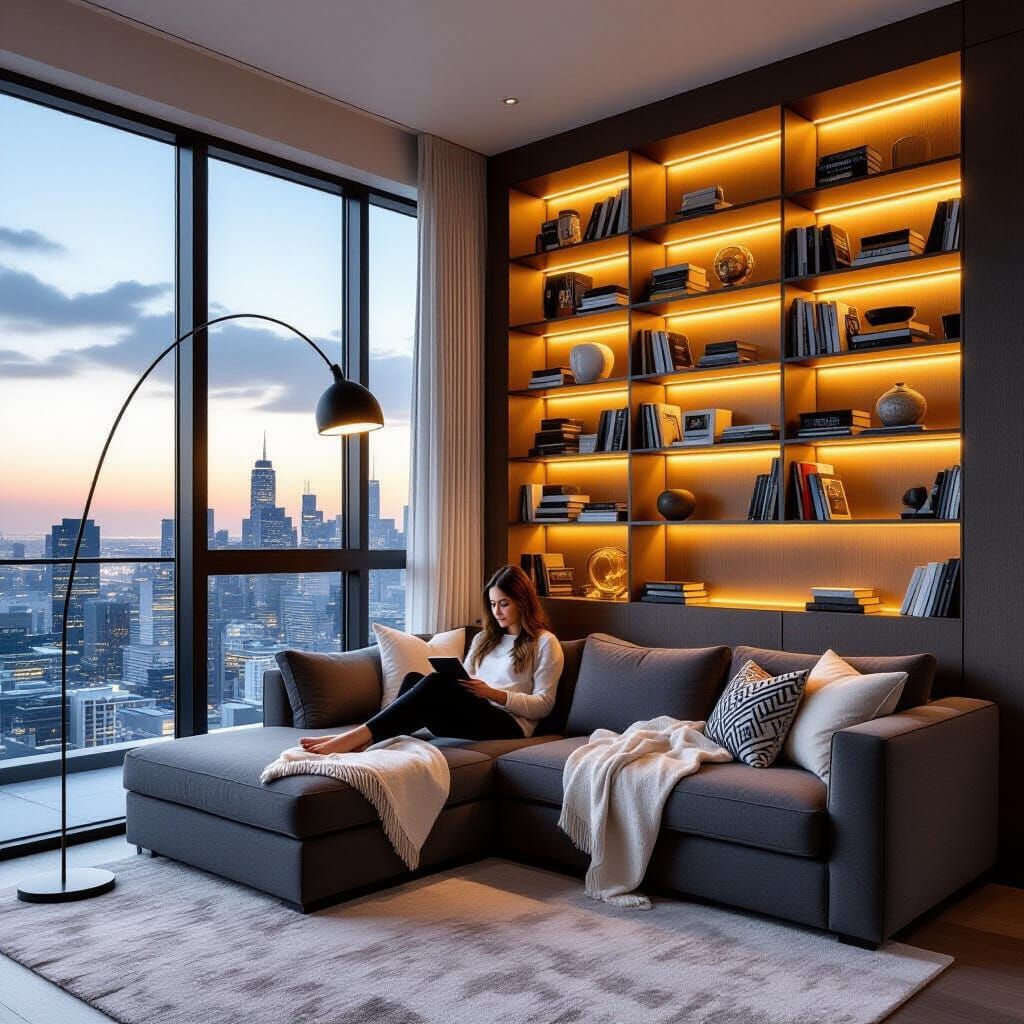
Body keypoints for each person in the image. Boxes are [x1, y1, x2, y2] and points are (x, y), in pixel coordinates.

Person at [300, 564, 564, 755]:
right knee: (415, 678)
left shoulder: (544, 643)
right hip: (476, 711)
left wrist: (494, 694)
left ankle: (357, 737)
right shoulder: (485, 638)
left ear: (522, 602)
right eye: (493, 604)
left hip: (510, 724)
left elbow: (544, 706)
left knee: (435, 683)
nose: (496, 611)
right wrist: (468, 686)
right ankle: (368, 739)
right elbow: (467, 676)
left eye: (504, 603)